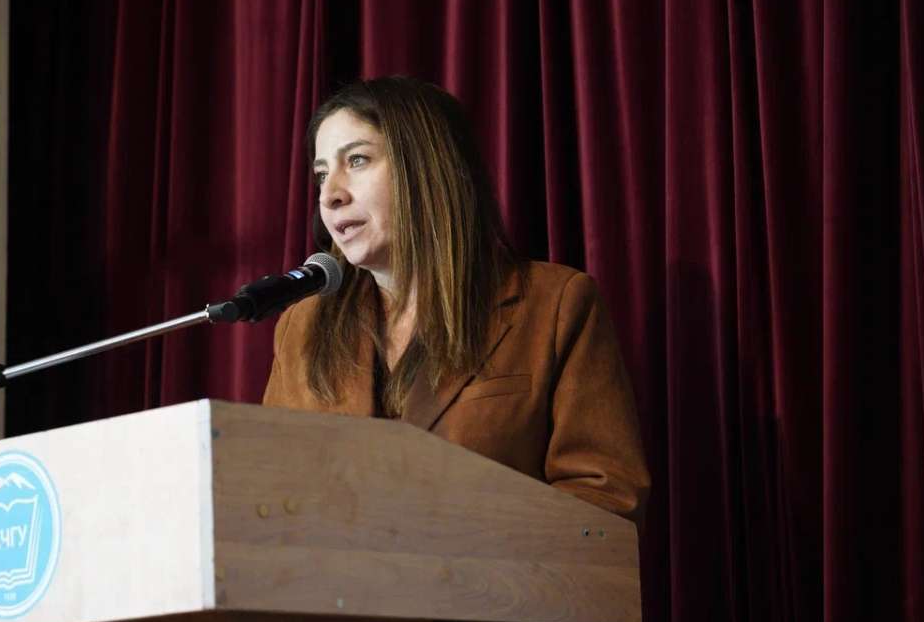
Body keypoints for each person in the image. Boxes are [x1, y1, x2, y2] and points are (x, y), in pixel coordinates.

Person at [262, 76, 649, 521]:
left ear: (426, 168)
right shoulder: (302, 327)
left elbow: (606, 500)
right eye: (322, 174)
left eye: (358, 160)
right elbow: (271, 497)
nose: (330, 195)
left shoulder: (555, 305)